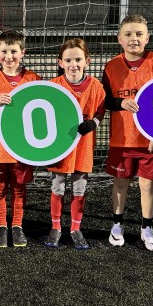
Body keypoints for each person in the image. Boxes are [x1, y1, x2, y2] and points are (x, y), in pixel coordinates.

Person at [102, 14, 153, 251]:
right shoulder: (111, 66)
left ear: (147, 37)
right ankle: (117, 224)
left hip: (151, 140)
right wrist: (120, 103)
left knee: (148, 185)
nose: (134, 39)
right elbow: (105, 101)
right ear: (119, 38)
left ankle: (146, 227)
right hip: (122, 139)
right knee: (120, 182)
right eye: (128, 34)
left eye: (139, 34)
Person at [0, 30, 41, 248]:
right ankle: (0, 226)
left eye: (13, 51)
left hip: (23, 147)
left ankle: (17, 226)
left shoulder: (33, 78)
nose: (9, 56)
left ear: (22, 53)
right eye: (4, 51)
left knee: (19, 189)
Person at [45, 38, 105, 250]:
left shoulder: (96, 86)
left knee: (79, 188)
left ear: (87, 61)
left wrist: (93, 123)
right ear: (60, 62)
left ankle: (75, 228)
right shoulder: (53, 86)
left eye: (78, 59)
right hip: (60, 148)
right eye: (68, 60)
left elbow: (100, 110)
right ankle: (56, 227)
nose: (74, 64)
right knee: (57, 186)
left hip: (83, 147)